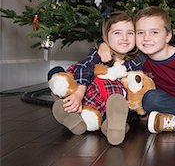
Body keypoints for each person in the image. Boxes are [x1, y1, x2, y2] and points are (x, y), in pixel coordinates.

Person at [50, 11, 144, 145]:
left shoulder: (135, 62)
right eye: (117, 33)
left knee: (118, 106)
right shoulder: (99, 54)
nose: (125, 38)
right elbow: (83, 66)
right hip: (87, 100)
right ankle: (73, 119)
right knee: (57, 76)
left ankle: (113, 127)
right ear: (106, 36)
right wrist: (79, 93)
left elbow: (138, 86)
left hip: (112, 107)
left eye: (130, 33)